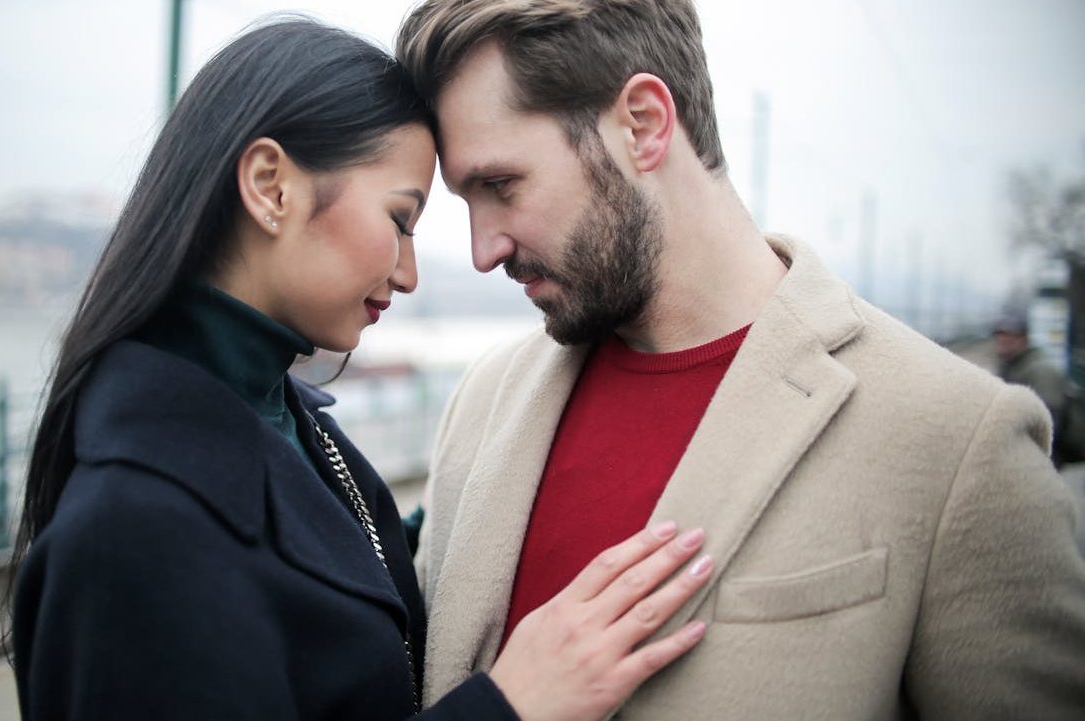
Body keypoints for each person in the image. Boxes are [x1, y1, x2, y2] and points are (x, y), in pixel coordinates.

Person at [5, 18, 715, 721]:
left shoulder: (280, 423)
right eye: (401, 220)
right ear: (270, 187)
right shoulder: (127, 531)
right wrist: (511, 705)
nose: (408, 273)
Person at [394, 1, 1085, 719]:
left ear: (643, 124)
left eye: (500, 187)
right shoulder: (482, 401)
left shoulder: (957, 436)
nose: (483, 250)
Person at [992, 313, 1081, 464]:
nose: (1003, 342)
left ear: (1024, 339)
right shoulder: (1011, 366)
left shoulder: (1041, 370)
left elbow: (1050, 419)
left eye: (1010, 337)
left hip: (1048, 451)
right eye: (1000, 337)